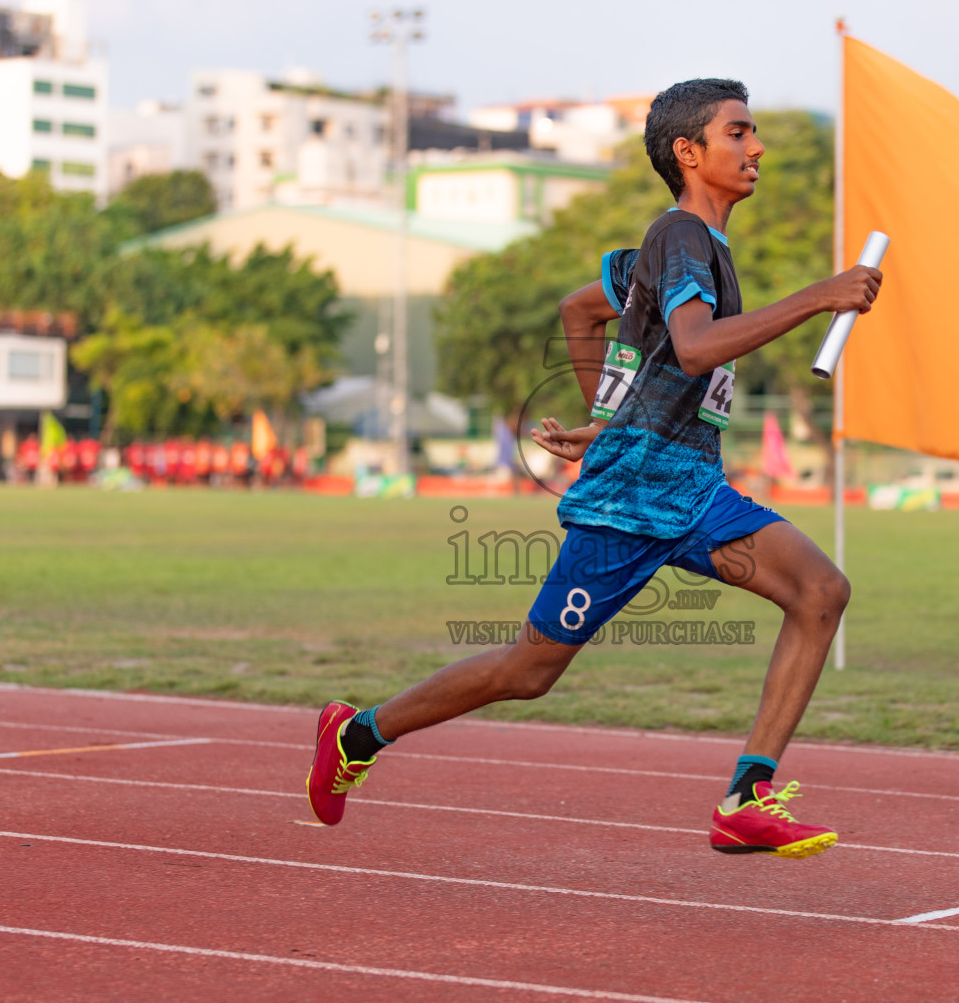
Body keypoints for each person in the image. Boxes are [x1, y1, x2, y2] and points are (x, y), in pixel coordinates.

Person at [307, 78, 883, 858]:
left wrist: (612, 420)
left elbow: (583, 310)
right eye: (738, 133)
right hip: (630, 502)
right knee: (529, 670)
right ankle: (359, 734)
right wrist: (820, 297)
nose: (757, 148)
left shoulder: (699, 249)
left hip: (691, 487)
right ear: (689, 151)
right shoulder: (678, 237)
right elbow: (695, 346)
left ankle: (746, 798)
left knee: (821, 592)